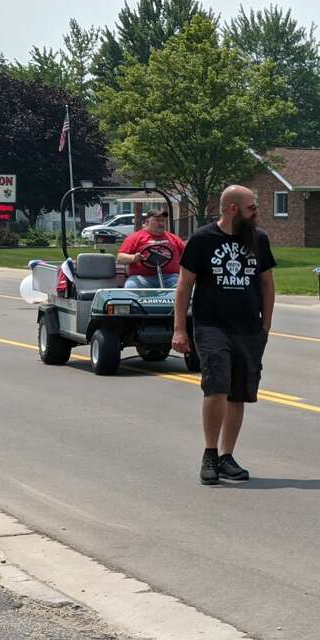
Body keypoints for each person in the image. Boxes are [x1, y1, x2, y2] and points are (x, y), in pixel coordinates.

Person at [172, 185, 276, 486]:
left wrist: (265, 326)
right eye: (251, 207)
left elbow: (267, 284)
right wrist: (180, 329)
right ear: (233, 208)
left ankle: (227, 457)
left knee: (238, 392)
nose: (255, 212)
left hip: (248, 328)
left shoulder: (259, 239)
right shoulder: (203, 239)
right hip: (211, 326)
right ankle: (209, 453)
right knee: (216, 386)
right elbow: (184, 286)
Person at [117, 209, 185, 288]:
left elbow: (188, 254)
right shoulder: (135, 238)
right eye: (157, 220)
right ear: (147, 222)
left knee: (184, 286)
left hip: (170, 277)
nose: (161, 223)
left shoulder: (173, 238)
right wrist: (133, 258)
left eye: (163, 220)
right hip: (142, 278)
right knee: (131, 286)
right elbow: (120, 257)